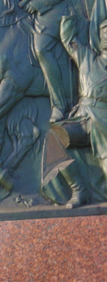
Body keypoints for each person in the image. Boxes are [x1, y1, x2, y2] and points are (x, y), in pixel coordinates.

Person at [7, 0, 72, 123]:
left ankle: (59, 105)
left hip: (51, 10)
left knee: (42, 48)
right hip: (22, 5)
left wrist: (38, 3)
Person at [49, 17, 107, 207]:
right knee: (54, 137)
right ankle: (79, 190)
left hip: (104, 119)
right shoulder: (88, 57)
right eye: (104, 32)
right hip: (83, 118)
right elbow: (69, 39)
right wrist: (68, 17)